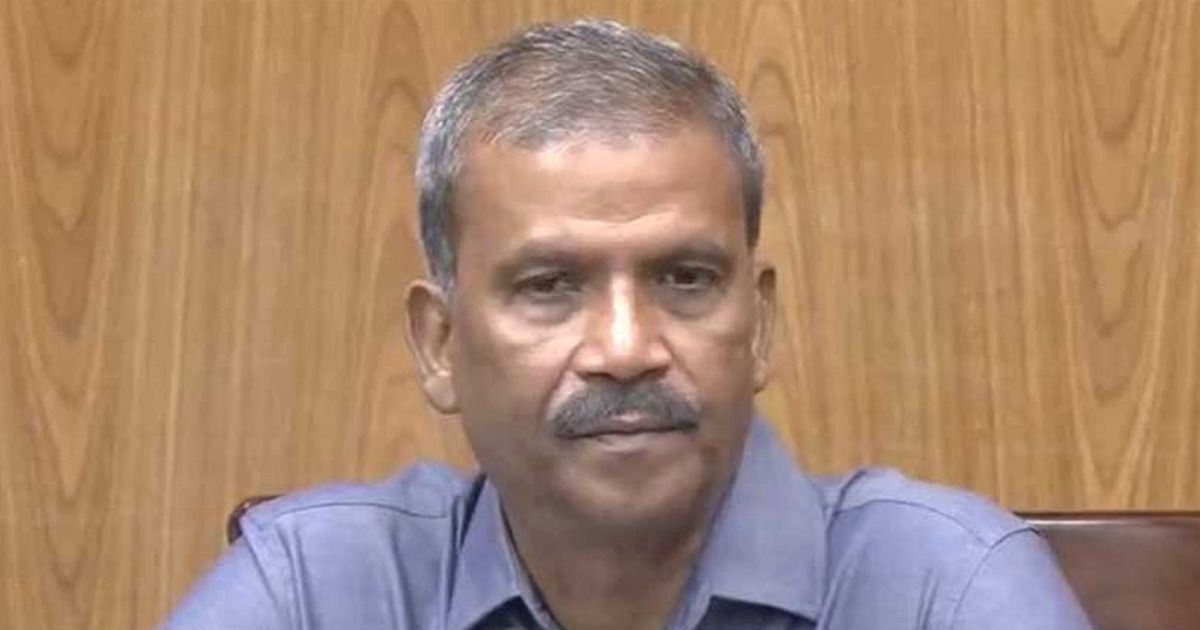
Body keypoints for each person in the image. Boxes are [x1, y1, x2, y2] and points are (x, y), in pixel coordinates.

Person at [162, 19, 1092, 630]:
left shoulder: (945, 590)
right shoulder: (316, 590)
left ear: (760, 324)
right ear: (440, 345)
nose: (624, 349)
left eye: (685, 279)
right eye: (549, 285)